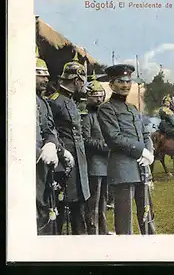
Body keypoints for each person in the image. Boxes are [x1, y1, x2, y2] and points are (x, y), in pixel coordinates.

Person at [97, 64, 156, 235]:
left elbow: (145, 134)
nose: (125, 85)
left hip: (141, 167)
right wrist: (140, 151)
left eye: (128, 81)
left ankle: (151, 247)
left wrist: (149, 152)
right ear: (111, 84)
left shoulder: (133, 109)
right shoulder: (106, 109)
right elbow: (114, 138)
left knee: (147, 213)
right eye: (120, 81)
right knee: (124, 219)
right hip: (123, 170)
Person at [47, 52, 91, 235]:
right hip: (64, 166)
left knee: (78, 212)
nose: (84, 86)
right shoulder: (55, 102)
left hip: (78, 166)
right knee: (60, 214)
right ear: (77, 80)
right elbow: (49, 132)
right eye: (83, 82)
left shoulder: (72, 102)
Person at [35, 47, 75, 235]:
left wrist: (56, 147)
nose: (45, 79)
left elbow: (49, 129)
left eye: (46, 75)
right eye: (40, 74)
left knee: (46, 210)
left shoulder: (42, 102)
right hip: (30, 166)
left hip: (45, 167)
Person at [82, 75, 110, 235]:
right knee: (93, 203)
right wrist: (104, 145)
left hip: (107, 165)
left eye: (101, 96)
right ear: (89, 98)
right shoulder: (87, 118)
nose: (99, 100)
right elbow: (85, 140)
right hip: (94, 165)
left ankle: (104, 231)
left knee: (104, 202)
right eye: (95, 97)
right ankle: (93, 233)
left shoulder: (105, 117)